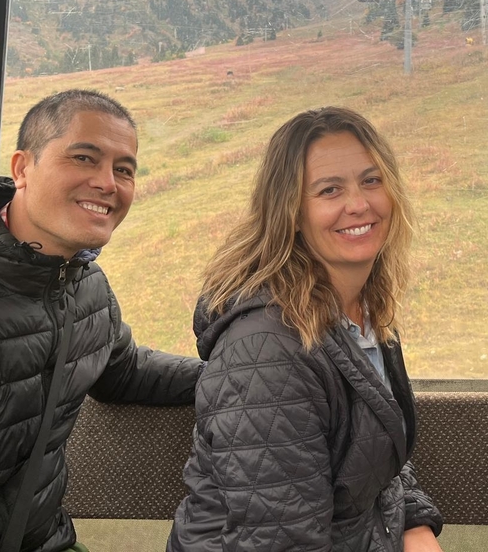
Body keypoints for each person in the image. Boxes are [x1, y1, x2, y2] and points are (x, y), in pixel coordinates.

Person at [0, 89, 203, 552]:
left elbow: (123, 371)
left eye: (124, 169)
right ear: (22, 168)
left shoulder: (83, 285)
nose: (109, 183)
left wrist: (244, 372)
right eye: (85, 158)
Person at [166, 107, 443, 552]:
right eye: (330, 189)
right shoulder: (269, 351)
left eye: (371, 181)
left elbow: (367, 447)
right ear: (291, 212)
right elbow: (282, 540)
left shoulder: (359, 309)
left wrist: (414, 523)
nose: (359, 204)